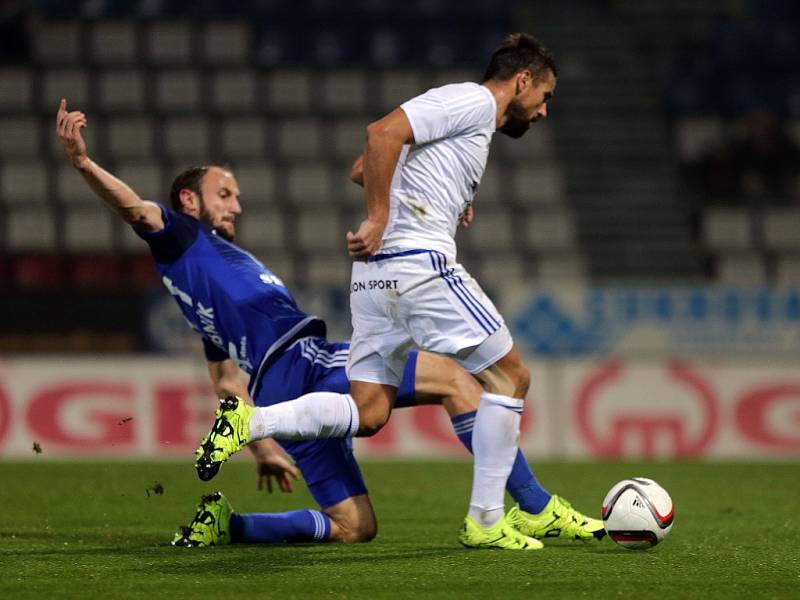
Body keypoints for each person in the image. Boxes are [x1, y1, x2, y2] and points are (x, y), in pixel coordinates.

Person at [56, 97, 603, 548]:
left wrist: (263, 445)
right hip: (305, 361)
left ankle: (229, 525)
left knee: (355, 527)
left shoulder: (199, 292)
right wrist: (84, 164)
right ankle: (534, 506)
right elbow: (136, 211)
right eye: (225, 194)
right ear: (187, 200)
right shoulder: (182, 235)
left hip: (275, 390)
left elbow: (226, 382)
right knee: (460, 381)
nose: (236, 206)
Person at [194, 33, 596, 549]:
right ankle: (491, 518)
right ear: (522, 80)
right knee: (511, 377)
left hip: (375, 278)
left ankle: (251, 421)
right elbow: (380, 134)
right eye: (545, 95)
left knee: (368, 412)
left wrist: (442, 199)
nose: (543, 111)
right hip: (418, 267)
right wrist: (382, 216)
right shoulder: (472, 100)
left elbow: (363, 166)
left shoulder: (469, 126)